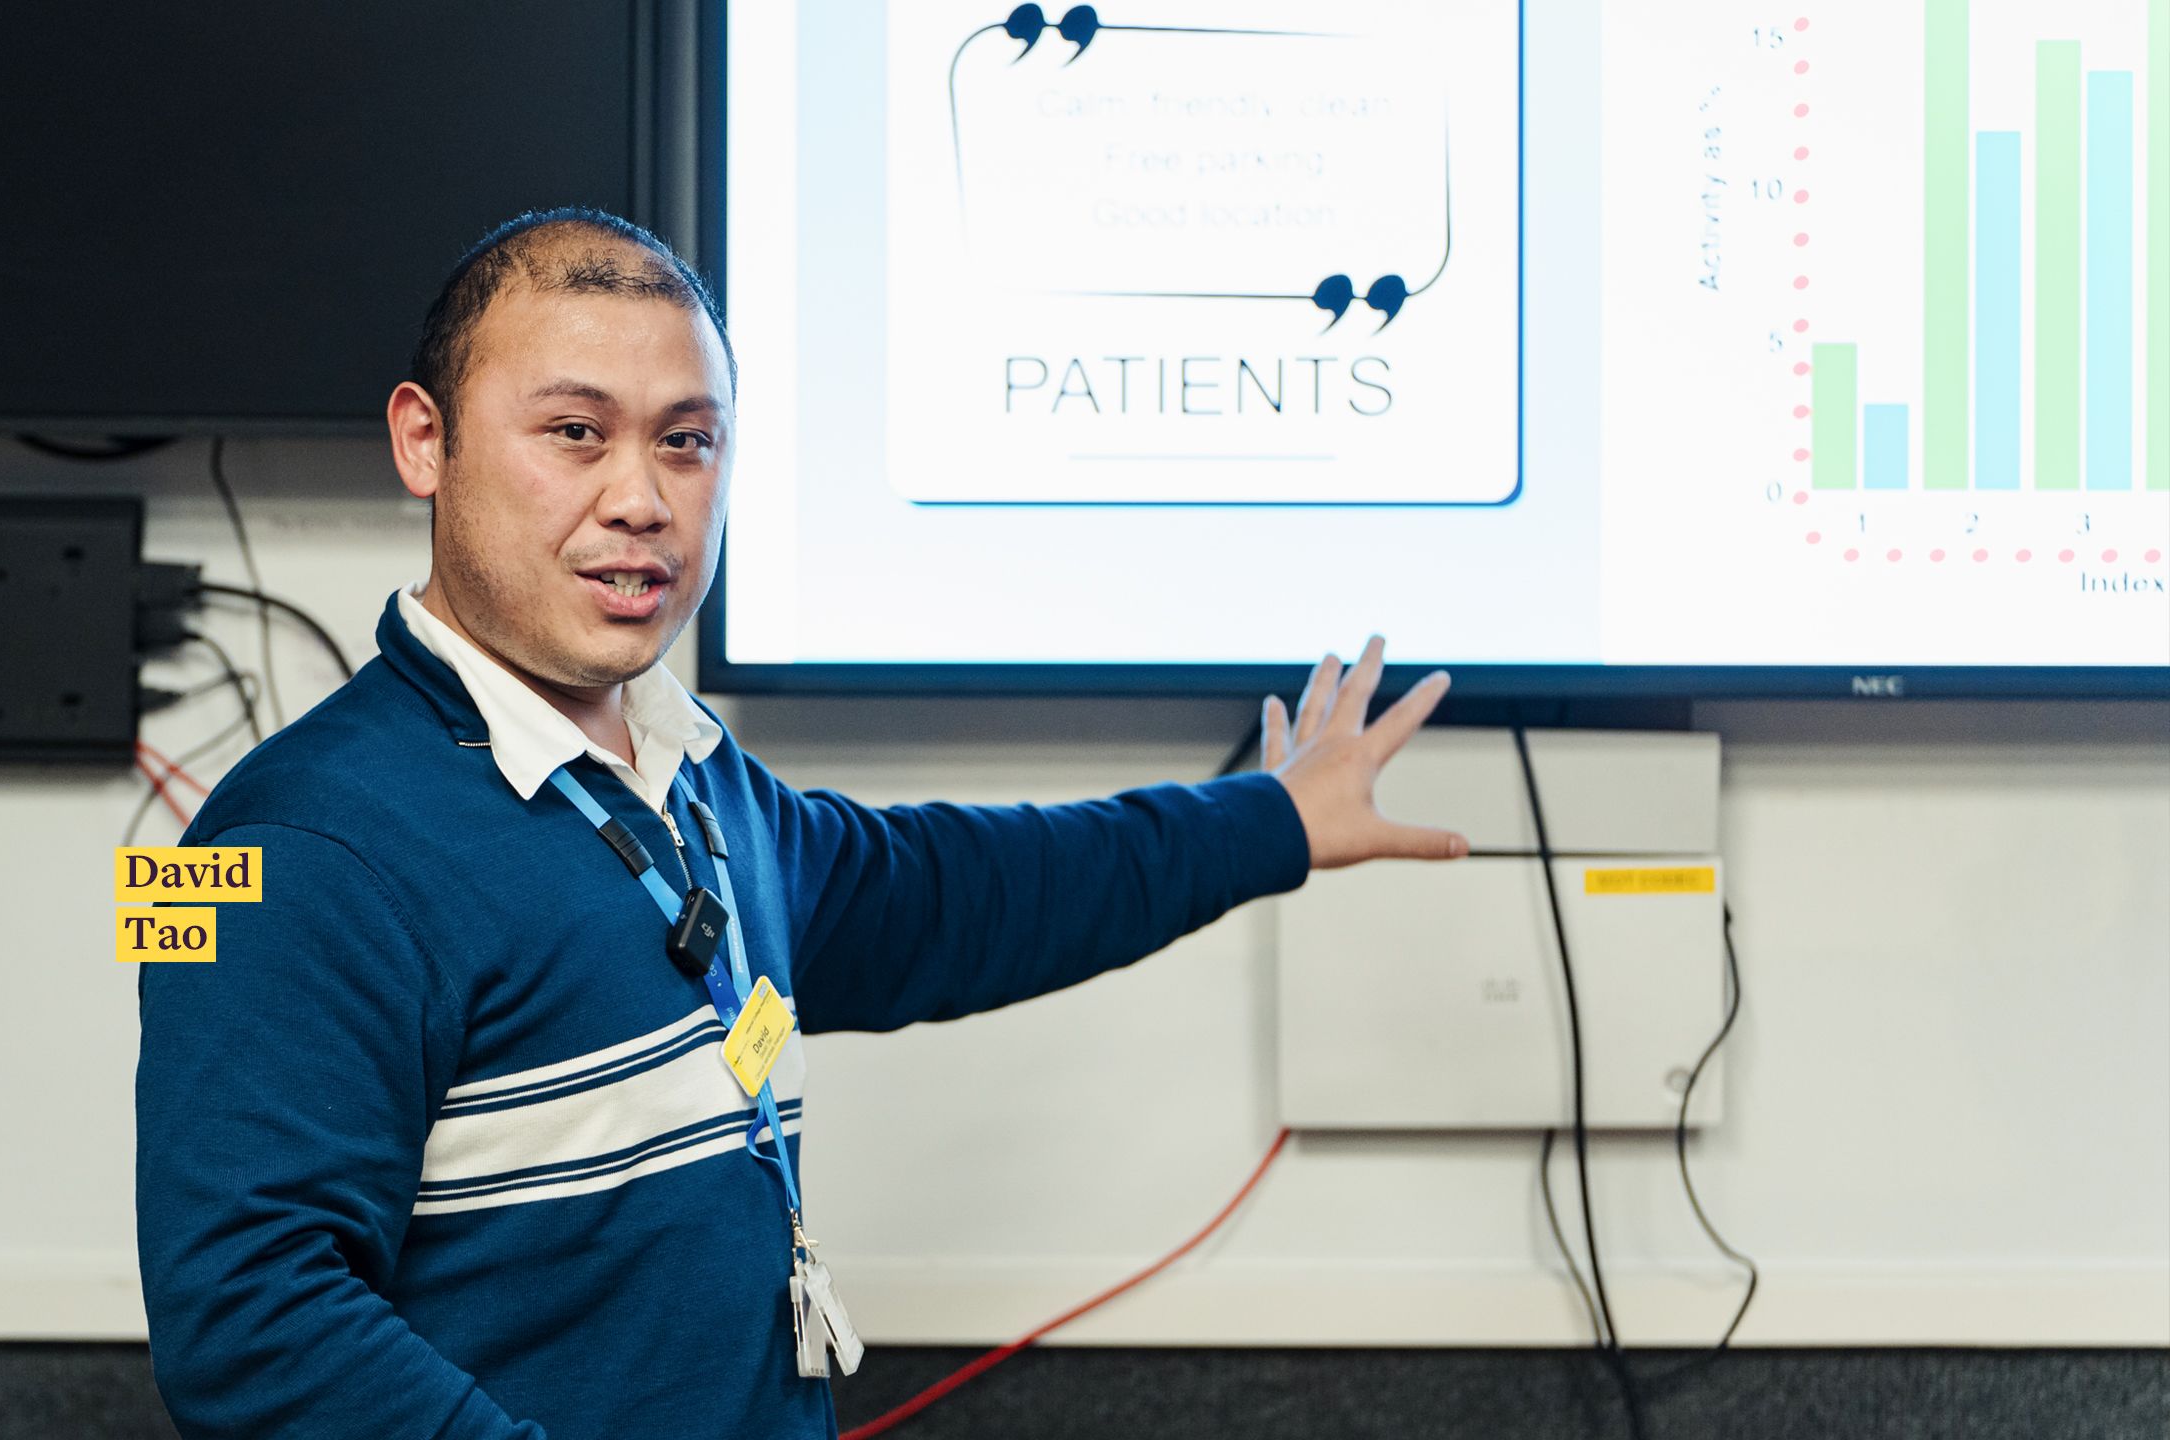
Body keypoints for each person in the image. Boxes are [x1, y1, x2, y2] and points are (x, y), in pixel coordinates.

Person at [133, 206, 1467, 1440]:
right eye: (576, 432)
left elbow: (962, 896)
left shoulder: (691, 778)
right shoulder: (282, 851)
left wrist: (1271, 820)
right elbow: (252, 1325)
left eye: (687, 440)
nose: (642, 498)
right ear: (425, 441)